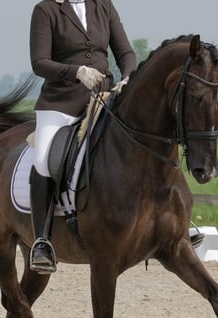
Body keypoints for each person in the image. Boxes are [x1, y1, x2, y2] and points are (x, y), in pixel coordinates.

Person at [27, 0, 137, 273]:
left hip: (104, 96)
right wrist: (76, 71)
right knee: (43, 160)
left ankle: (169, 223)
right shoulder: (46, 10)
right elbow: (39, 63)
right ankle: (42, 241)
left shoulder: (104, 6)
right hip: (60, 102)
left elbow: (125, 52)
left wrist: (128, 77)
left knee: (139, 143)